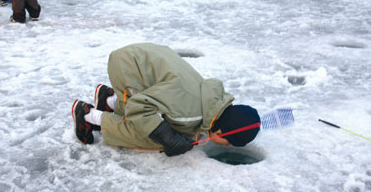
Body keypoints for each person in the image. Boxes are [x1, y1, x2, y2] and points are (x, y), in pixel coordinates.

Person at [72, 43, 260, 157]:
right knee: (150, 133)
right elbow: (141, 107)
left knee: (165, 122)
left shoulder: (209, 100)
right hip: (128, 66)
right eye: (228, 142)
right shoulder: (190, 112)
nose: (225, 145)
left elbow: (164, 99)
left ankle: (110, 100)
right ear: (221, 130)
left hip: (136, 59)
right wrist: (165, 137)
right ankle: (88, 116)